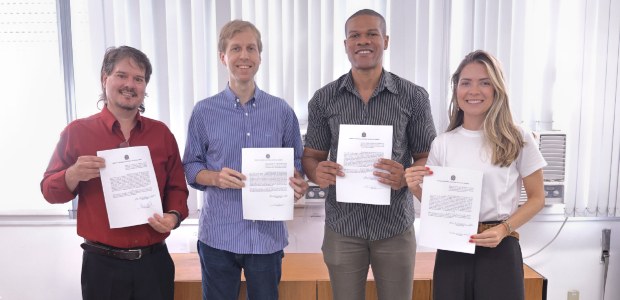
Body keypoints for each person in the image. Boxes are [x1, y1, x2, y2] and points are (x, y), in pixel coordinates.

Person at [302, 9, 437, 300]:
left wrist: (406, 176)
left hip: (395, 226)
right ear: (346, 44)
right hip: (343, 226)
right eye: (355, 35)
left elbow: (427, 156)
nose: (363, 41)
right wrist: (317, 172)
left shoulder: (413, 96)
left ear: (385, 40)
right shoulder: (324, 98)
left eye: (372, 34)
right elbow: (311, 156)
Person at [41, 45, 189, 300]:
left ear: (144, 87)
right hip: (102, 268)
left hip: (153, 265)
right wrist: (72, 174)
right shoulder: (77, 132)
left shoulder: (161, 134)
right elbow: (49, 190)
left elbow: (177, 188)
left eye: (138, 79)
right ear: (104, 78)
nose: (130, 84)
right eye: (122, 75)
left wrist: (173, 217)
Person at [405, 50, 546, 300]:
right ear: (456, 89)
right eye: (466, 83)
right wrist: (416, 189)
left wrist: (504, 229)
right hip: (453, 247)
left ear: (497, 89)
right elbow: (438, 208)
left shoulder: (517, 137)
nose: (474, 91)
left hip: (500, 248)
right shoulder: (443, 143)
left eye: (485, 83)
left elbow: (537, 199)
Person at [182, 20, 308, 300]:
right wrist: (214, 177)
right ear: (222, 56)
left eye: (251, 48)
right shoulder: (203, 111)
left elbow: (297, 166)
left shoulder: (281, 111)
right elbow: (190, 166)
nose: (244, 55)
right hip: (218, 236)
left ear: (260, 56)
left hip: (266, 238)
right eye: (235, 48)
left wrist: (298, 186)